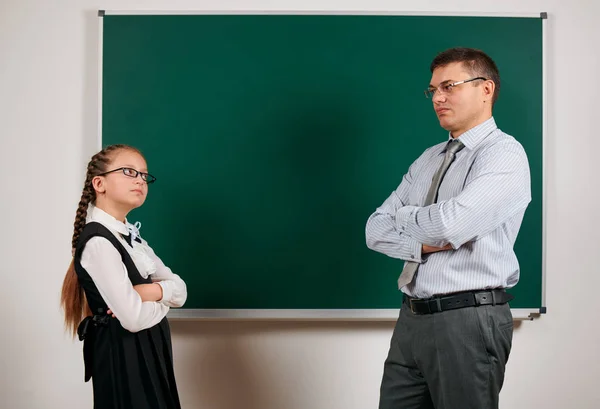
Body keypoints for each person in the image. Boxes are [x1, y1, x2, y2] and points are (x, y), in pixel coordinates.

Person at [365, 47, 532, 409]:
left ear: (486, 89)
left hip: (468, 320)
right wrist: (421, 245)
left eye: (449, 86)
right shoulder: (428, 158)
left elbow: (449, 224)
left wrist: (406, 216)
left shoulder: (503, 154)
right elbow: (374, 229)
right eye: (433, 90)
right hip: (412, 319)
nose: (438, 97)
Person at [60, 144, 187, 409]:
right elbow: (132, 318)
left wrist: (149, 293)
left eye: (144, 175)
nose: (140, 180)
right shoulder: (98, 242)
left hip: (151, 349)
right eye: (129, 172)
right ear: (99, 183)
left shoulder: (131, 236)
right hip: (125, 354)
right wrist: (165, 299)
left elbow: (182, 290)